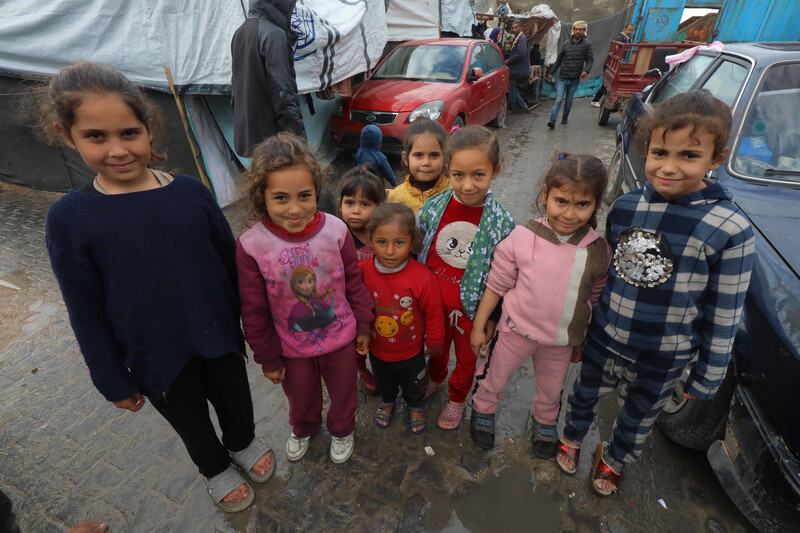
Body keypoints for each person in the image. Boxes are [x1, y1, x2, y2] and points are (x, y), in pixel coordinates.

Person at [40, 63, 274, 513]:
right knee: (190, 422)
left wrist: (259, 325)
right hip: (154, 355)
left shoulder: (192, 194)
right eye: (96, 136)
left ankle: (242, 442)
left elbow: (233, 267)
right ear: (67, 135)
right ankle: (214, 467)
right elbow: (84, 309)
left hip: (220, 335)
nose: (117, 150)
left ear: (148, 129)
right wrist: (109, 377)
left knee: (236, 401)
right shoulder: (69, 219)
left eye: (129, 133)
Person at [557, 91, 755, 496]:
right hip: (606, 337)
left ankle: (613, 460)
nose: (668, 167)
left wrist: (710, 373)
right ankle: (572, 437)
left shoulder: (729, 228)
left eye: (688, 156)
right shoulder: (627, 207)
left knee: (640, 414)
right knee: (583, 394)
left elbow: (725, 311)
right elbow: (604, 273)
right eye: (660, 152)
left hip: (665, 353)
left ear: (717, 158)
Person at [237, 132, 374, 465]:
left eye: (305, 196)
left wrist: (364, 325)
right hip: (291, 348)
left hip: (340, 338)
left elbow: (353, 281)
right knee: (301, 396)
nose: (295, 209)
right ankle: (304, 428)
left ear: (317, 191)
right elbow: (253, 310)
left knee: (344, 392)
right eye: (281, 198)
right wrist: (267, 357)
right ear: (262, 197)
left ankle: (342, 429)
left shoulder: (337, 230)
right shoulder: (252, 245)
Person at [468, 154, 611, 453]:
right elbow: (497, 284)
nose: (569, 214)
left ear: (596, 204)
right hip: (513, 332)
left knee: (551, 388)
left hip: (560, 342)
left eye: (582, 205)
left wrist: (580, 339)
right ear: (546, 194)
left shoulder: (598, 251)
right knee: (494, 376)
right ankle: (483, 407)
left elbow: (591, 297)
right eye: (561, 201)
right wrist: (480, 325)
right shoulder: (523, 236)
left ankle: (545, 421)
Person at [418, 126, 515, 430]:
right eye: (459, 175)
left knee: (467, 356)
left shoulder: (502, 223)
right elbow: (418, 249)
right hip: (433, 305)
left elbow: (505, 276)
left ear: (495, 171)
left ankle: (458, 398)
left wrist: (492, 317)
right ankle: (435, 377)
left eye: (478, 175)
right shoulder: (433, 207)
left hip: (472, 311)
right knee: (434, 346)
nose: (468, 185)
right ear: (448, 170)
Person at [358, 203, 446, 434]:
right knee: (384, 381)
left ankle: (415, 405)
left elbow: (434, 312)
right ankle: (387, 401)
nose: (389, 251)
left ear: (412, 241)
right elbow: (355, 305)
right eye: (382, 242)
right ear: (371, 239)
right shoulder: (361, 272)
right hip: (377, 349)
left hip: (413, 350)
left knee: (415, 382)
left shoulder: (422, 277)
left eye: (399, 242)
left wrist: (435, 341)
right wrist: (360, 332)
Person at [231, 0, 306, 157]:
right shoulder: (273, 35)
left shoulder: (240, 32)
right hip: (274, 143)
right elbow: (283, 93)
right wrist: (299, 143)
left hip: (251, 135)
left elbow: (236, 85)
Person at [337, 167, 387, 394]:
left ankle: (383, 366)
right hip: (349, 304)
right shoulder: (338, 235)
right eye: (350, 203)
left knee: (381, 337)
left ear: (378, 207)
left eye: (365, 204)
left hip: (381, 299)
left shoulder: (383, 234)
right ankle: (360, 369)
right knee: (354, 342)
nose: (356, 211)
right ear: (340, 204)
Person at [386, 118, 450, 215]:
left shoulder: (453, 192)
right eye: (419, 155)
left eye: (434, 155)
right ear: (406, 159)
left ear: (444, 158)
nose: (426, 162)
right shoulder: (396, 198)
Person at [546, 20, 594, 129]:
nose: (578, 31)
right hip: (562, 78)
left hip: (574, 79)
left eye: (581, 30)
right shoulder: (566, 44)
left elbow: (590, 60)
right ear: (573, 30)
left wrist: (586, 70)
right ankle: (552, 121)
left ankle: (565, 117)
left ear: (584, 31)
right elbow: (559, 60)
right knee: (558, 100)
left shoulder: (587, 45)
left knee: (568, 101)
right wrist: (551, 73)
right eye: (576, 29)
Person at [591, 23, 635, 107]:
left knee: (610, 84)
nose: (630, 32)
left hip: (617, 64)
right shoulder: (619, 38)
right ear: (625, 29)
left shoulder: (628, 39)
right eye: (629, 30)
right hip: (610, 64)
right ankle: (595, 100)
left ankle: (601, 100)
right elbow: (614, 51)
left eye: (632, 30)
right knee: (606, 83)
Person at [505, 20, 531, 114]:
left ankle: (513, 108)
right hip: (518, 69)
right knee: (513, 88)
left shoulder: (522, 38)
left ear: (521, 28)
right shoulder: (519, 38)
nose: (514, 29)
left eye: (516, 28)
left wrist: (509, 60)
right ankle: (522, 105)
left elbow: (521, 54)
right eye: (513, 28)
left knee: (512, 89)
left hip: (517, 69)